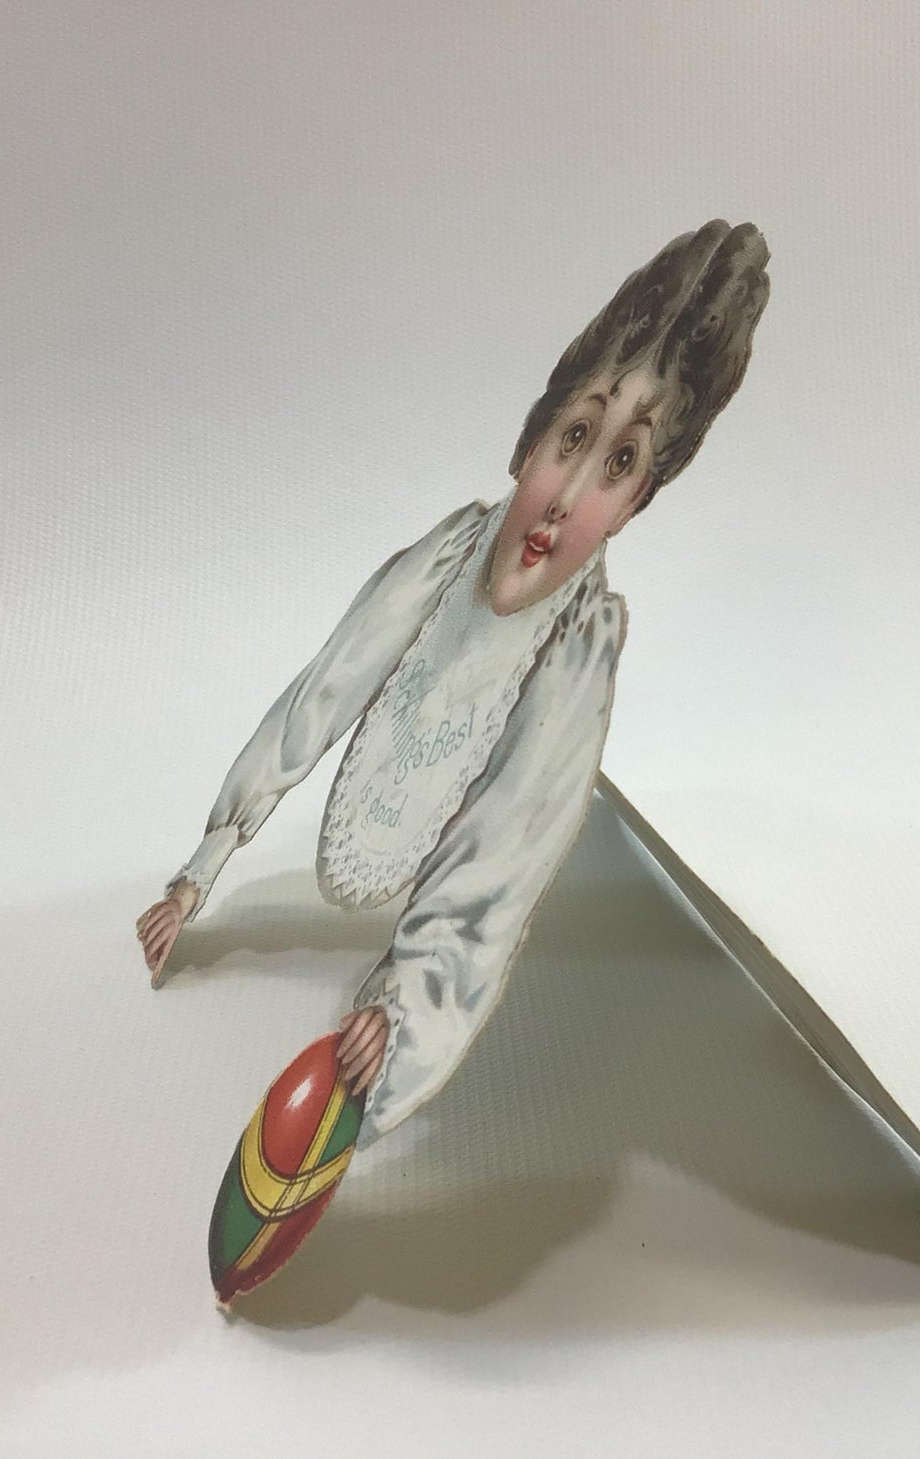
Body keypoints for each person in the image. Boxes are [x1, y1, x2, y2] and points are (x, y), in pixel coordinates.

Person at [135, 220, 770, 1149]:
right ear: (528, 442)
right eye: (575, 437)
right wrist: (200, 873)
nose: (566, 496)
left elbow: (500, 858)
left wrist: (403, 1003)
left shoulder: (576, 654)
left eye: (618, 465)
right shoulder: (449, 555)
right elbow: (325, 689)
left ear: (635, 505)